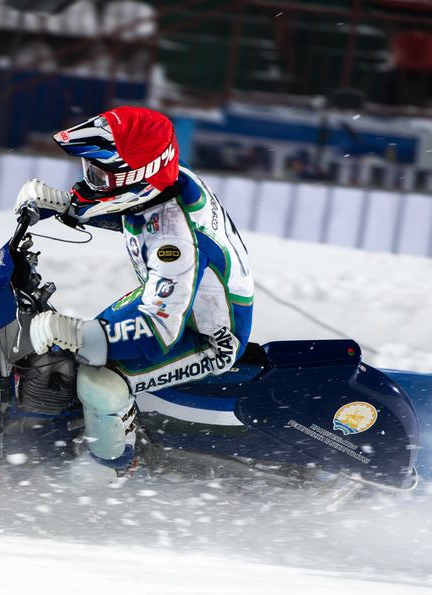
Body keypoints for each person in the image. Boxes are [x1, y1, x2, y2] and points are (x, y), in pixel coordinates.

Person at [13, 106, 254, 474]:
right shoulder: (167, 181)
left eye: (97, 174)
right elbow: (135, 213)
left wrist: (79, 332)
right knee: (85, 345)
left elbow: (159, 330)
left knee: (99, 381)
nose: (88, 181)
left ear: (135, 178)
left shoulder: (174, 244)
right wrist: (68, 206)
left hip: (206, 337)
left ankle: (113, 472)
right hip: (178, 301)